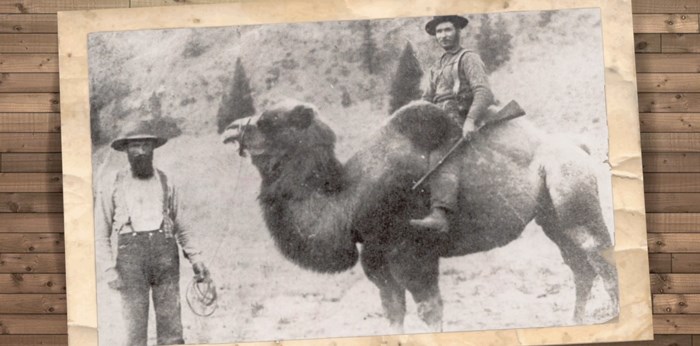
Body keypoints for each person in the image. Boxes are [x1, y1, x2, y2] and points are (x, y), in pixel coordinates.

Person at [94, 122, 210, 346]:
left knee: (172, 332)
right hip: (130, 263)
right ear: (126, 149)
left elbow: (182, 225)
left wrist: (196, 259)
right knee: (134, 333)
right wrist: (109, 269)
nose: (140, 151)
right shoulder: (112, 182)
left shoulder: (167, 181)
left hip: (165, 258)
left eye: (145, 145)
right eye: (134, 146)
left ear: (153, 148)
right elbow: (101, 233)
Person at [410, 15, 496, 233]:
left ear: (458, 31)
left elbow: (484, 92)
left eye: (447, 30)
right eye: (439, 32)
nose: (443, 35)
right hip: (436, 119)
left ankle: (440, 213)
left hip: (458, 117)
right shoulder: (437, 66)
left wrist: (470, 120)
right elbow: (427, 98)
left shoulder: (469, 58)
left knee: (441, 153)